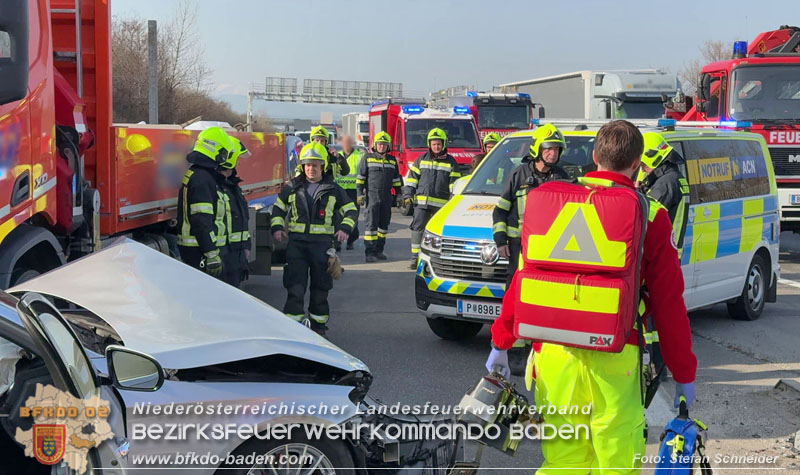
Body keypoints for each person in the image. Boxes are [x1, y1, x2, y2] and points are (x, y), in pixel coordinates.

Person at [486, 120, 698, 474]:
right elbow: (669, 303)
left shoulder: (552, 202)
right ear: (637, 162)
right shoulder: (651, 214)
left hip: (554, 355)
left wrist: (500, 342)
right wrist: (683, 371)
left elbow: (523, 280)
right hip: (616, 357)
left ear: (595, 156)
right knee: (616, 462)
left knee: (562, 462)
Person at [271, 142, 358, 335]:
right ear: (303, 166)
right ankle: (293, 328)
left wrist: (345, 228)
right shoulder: (292, 187)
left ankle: (318, 328)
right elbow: (278, 208)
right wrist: (277, 227)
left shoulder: (333, 189)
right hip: (297, 246)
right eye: (308, 165)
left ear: (323, 166)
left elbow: (351, 210)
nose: (311, 169)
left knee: (320, 289)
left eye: (315, 165)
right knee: (295, 288)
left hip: (322, 247)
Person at [492, 124, 569, 287]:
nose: (553, 153)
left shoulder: (561, 177)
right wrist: (501, 241)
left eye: (556, 149)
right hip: (519, 244)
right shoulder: (519, 174)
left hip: (549, 245)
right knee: (515, 283)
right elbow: (500, 211)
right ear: (537, 148)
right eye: (548, 148)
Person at [177, 126, 235, 278]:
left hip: (196, 250)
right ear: (215, 151)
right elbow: (201, 220)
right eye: (223, 153)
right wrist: (211, 253)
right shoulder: (202, 179)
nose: (224, 158)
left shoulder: (199, 175)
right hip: (199, 251)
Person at [403, 128, 461, 269]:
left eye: (439, 144)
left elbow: (454, 186)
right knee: (417, 229)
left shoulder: (451, 162)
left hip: (441, 207)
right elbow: (412, 180)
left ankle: (435, 259)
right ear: (429, 144)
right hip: (421, 204)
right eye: (434, 144)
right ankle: (415, 258)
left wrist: (453, 203)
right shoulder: (421, 160)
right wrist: (408, 195)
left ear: (444, 144)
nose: (436, 147)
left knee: (437, 233)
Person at [637, 131, 690, 252]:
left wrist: (637, 197)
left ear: (654, 159)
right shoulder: (675, 178)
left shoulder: (664, 184)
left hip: (661, 253)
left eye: (643, 165)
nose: (643, 170)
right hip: (671, 252)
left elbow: (647, 221)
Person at [357, 131, 402, 262]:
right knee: (371, 225)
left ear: (388, 146)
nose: (381, 146)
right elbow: (360, 178)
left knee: (383, 226)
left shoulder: (392, 161)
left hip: (387, 197)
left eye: (384, 144)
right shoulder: (367, 158)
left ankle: (379, 251)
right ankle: (369, 252)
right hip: (372, 196)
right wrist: (359, 194)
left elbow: (396, 180)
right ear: (375, 145)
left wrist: (399, 195)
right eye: (379, 144)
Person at [220, 137, 252, 287]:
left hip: (235, 254)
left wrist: (245, 246)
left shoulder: (231, 186)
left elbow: (241, 219)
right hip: (226, 256)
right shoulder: (217, 187)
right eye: (237, 159)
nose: (238, 163)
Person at [334, 135, 364, 250]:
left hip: (353, 191)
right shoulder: (337, 155)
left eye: (348, 142)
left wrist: (362, 191)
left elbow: (363, 173)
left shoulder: (359, 156)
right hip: (340, 190)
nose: (346, 144)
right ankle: (338, 241)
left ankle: (351, 240)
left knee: (352, 216)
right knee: (337, 217)